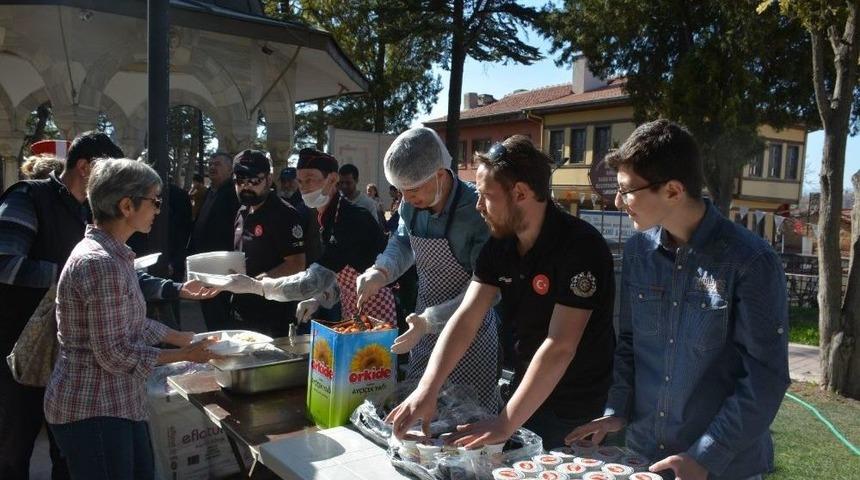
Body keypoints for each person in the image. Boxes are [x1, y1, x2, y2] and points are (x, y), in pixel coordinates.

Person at [564, 120, 790, 480]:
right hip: (645, 459)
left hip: (723, 469)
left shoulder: (750, 261)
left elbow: (765, 378)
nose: (618, 201)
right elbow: (630, 344)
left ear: (672, 190)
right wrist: (617, 408)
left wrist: (704, 456)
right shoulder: (639, 251)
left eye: (627, 191)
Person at [0, 131, 217, 480]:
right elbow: (115, 353)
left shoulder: (115, 253)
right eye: (154, 202)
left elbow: (130, 317)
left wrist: (181, 336)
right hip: (88, 403)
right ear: (126, 206)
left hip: (114, 401)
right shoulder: (98, 260)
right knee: (16, 451)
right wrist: (184, 356)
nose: (159, 211)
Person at [385, 135, 616, 450]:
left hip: (575, 409)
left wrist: (505, 422)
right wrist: (428, 388)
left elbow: (560, 346)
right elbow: (467, 316)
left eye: (485, 196)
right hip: (524, 391)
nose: (478, 206)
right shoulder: (501, 244)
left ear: (520, 192)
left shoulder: (580, 247)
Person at [355, 127, 501, 411]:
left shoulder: (478, 210)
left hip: (470, 334)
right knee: (418, 412)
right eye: (401, 190)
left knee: (465, 417)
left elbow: (487, 290)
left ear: (440, 174)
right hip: (418, 328)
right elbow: (402, 244)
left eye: (413, 189)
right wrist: (380, 271)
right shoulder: (410, 208)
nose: (407, 198)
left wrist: (431, 320)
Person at [211, 149, 395, 326]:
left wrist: (256, 287)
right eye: (300, 181)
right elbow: (341, 274)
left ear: (332, 179)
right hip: (352, 306)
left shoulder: (352, 218)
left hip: (380, 305)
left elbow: (314, 280)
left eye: (310, 180)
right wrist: (320, 298)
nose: (304, 188)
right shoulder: (326, 215)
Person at [230, 150, 306, 337]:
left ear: (269, 180)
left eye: (254, 181)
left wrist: (255, 284)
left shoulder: (284, 214)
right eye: (240, 180)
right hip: (242, 308)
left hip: (273, 314)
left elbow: (297, 263)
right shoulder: (242, 210)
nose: (246, 186)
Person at [189, 152, 241, 331]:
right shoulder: (211, 191)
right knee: (209, 311)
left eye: (217, 164)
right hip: (204, 264)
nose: (212, 167)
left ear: (230, 169)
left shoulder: (233, 194)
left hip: (221, 266)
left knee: (220, 314)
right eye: (210, 164)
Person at [279, 166, 321, 265]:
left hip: (306, 261)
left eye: (290, 181)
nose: (286, 185)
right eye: (283, 181)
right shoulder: (279, 202)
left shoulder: (306, 203)